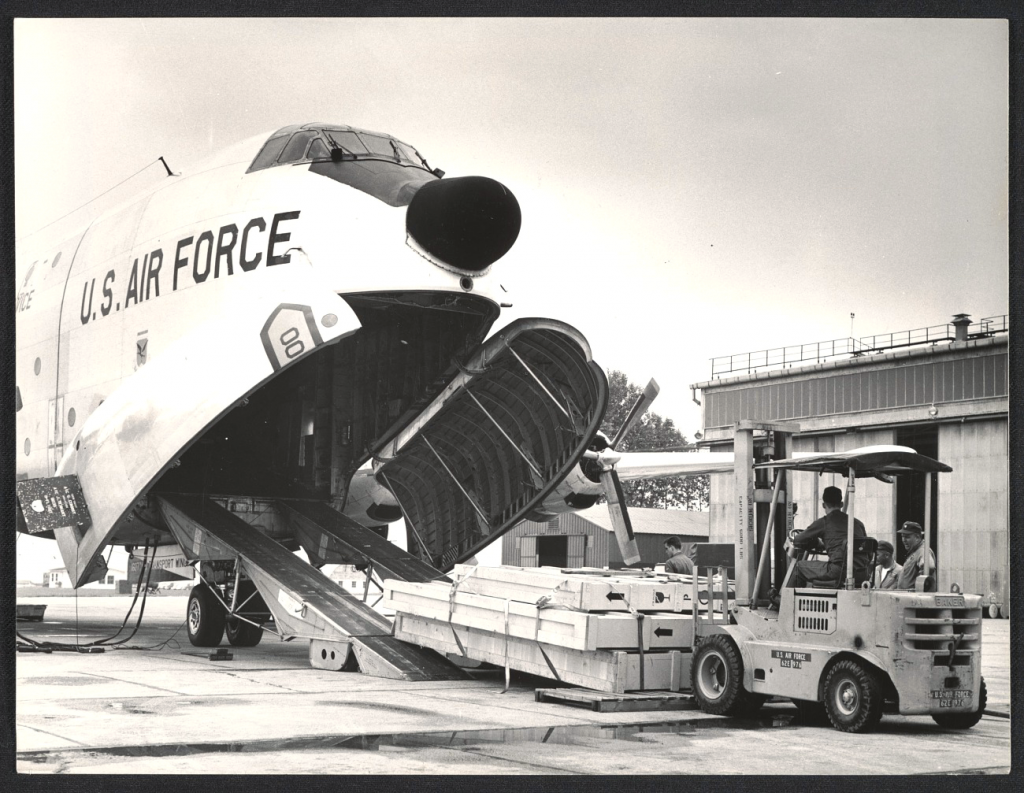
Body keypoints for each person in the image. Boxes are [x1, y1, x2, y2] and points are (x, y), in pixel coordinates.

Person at [786, 485, 870, 588]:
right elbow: (868, 552)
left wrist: (817, 543)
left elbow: (798, 540)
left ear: (823, 505)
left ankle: (785, 602)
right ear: (841, 504)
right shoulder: (857, 523)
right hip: (862, 573)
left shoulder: (824, 522)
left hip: (839, 572)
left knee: (800, 567)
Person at [895, 521, 936, 590]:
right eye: (903, 537)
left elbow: (929, 566)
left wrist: (918, 587)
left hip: (914, 599)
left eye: (907, 537)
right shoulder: (915, 551)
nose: (904, 540)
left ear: (917, 537)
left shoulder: (922, 550)